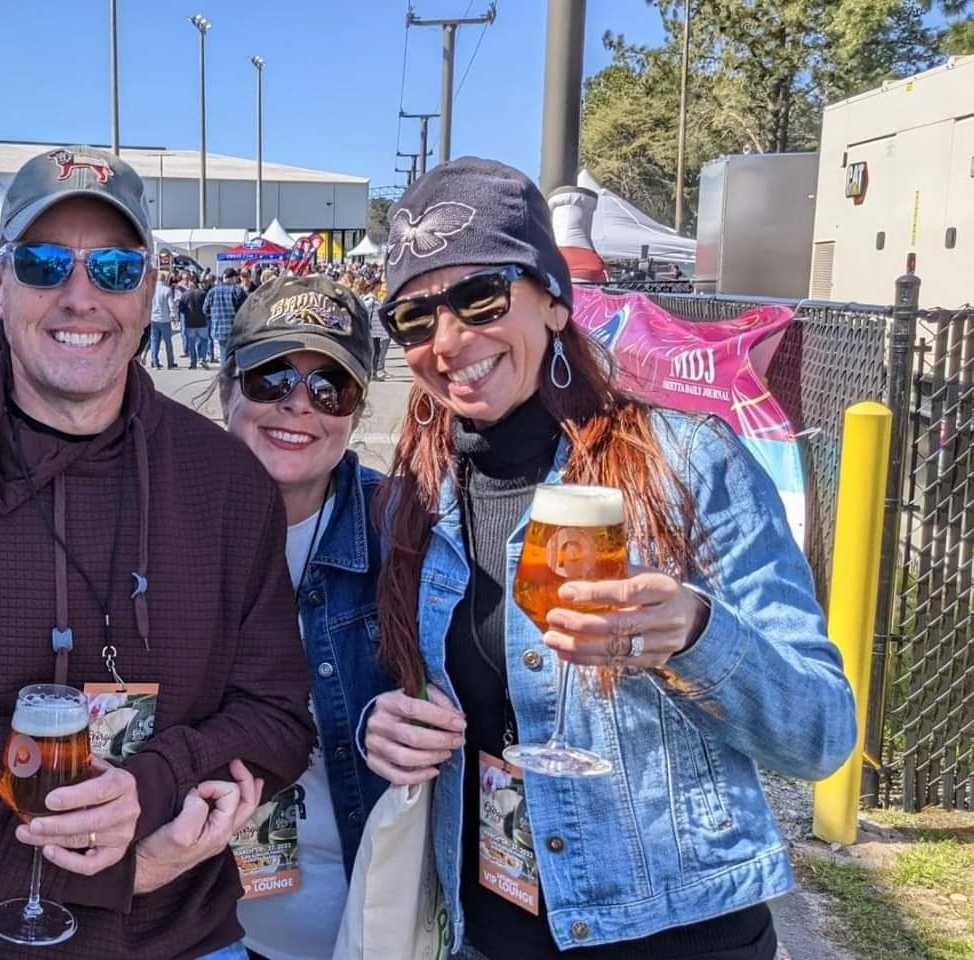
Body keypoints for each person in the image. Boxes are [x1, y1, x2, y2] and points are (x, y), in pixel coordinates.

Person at [0, 146, 316, 958]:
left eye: (116, 268)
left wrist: (152, 785)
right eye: (46, 263)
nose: (81, 296)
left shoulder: (226, 481)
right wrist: (115, 868)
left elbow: (276, 718)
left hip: (178, 940)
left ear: (152, 289)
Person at [364, 157, 857, 959]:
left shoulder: (687, 463)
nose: (448, 342)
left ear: (553, 301)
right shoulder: (419, 501)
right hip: (490, 936)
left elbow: (822, 734)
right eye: (414, 319)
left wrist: (696, 634)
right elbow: (425, 698)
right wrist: (378, 727)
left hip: (678, 935)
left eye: (479, 298)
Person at [200, 276, 426, 960]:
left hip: (361, 930)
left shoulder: (406, 536)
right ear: (228, 386)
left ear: (356, 413)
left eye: (333, 388)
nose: (299, 405)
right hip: (201, 927)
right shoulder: (163, 527)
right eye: (272, 378)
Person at [203, 268, 246, 365]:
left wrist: (214, 317)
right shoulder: (237, 290)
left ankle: (225, 374)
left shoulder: (212, 291)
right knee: (235, 355)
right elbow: (245, 309)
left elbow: (205, 309)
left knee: (223, 354)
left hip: (219, 328)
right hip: (235, 329)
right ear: (234, 278)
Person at [180, 274, 212, 370]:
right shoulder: (203, 294)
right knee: (204, 341)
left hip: (190, 323)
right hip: (202, 322)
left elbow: (181, 309)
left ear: (190, 283)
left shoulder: (184, 295)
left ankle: (193, 363)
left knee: (191, 343)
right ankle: (202, 357)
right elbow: (207, 307)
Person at [149, 271, 179, 368]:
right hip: (164, 319)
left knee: (154, 341)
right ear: (164, 279)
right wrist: (174, 316)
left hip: (153, 318)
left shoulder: (151, 290)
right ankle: (170, 363)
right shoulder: (167, 290)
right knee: (168, 342)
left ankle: (154, 361)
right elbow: (171, 305)